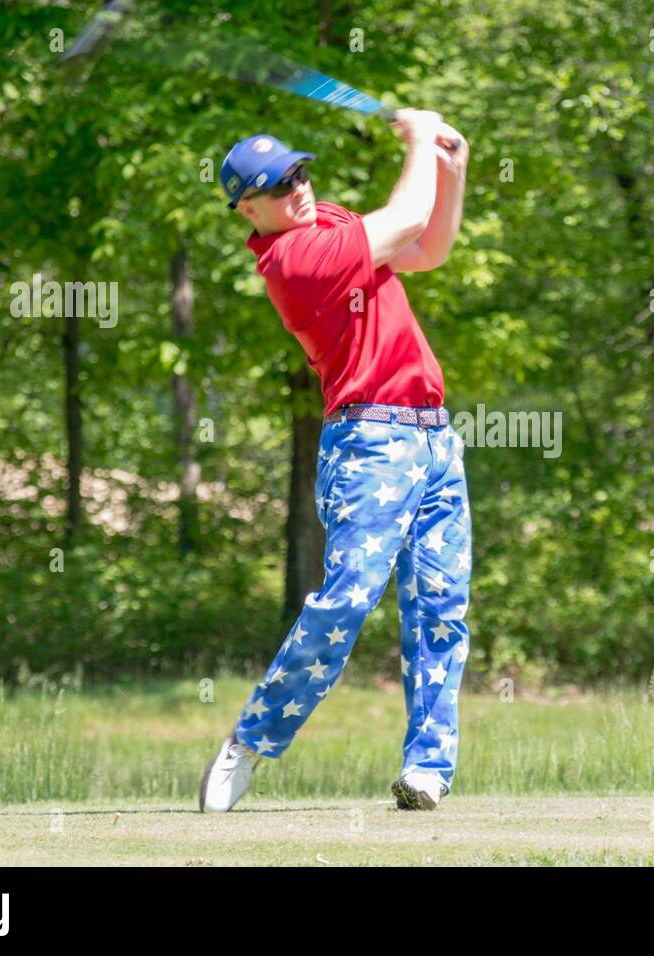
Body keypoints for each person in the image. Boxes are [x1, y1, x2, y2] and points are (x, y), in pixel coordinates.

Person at [199, 110, 471, 813]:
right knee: (348, 598)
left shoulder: (329, 224)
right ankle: (252, 739)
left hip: (435, 437)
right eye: (276, 186)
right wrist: (417, 142)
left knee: (440, 608)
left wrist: (452, 168)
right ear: (247, 210)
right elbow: (408, 217)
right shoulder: (293, 260)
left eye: (298, 172)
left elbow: (430, 246)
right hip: (371, 441)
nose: (297, 188)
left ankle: (427, 768)